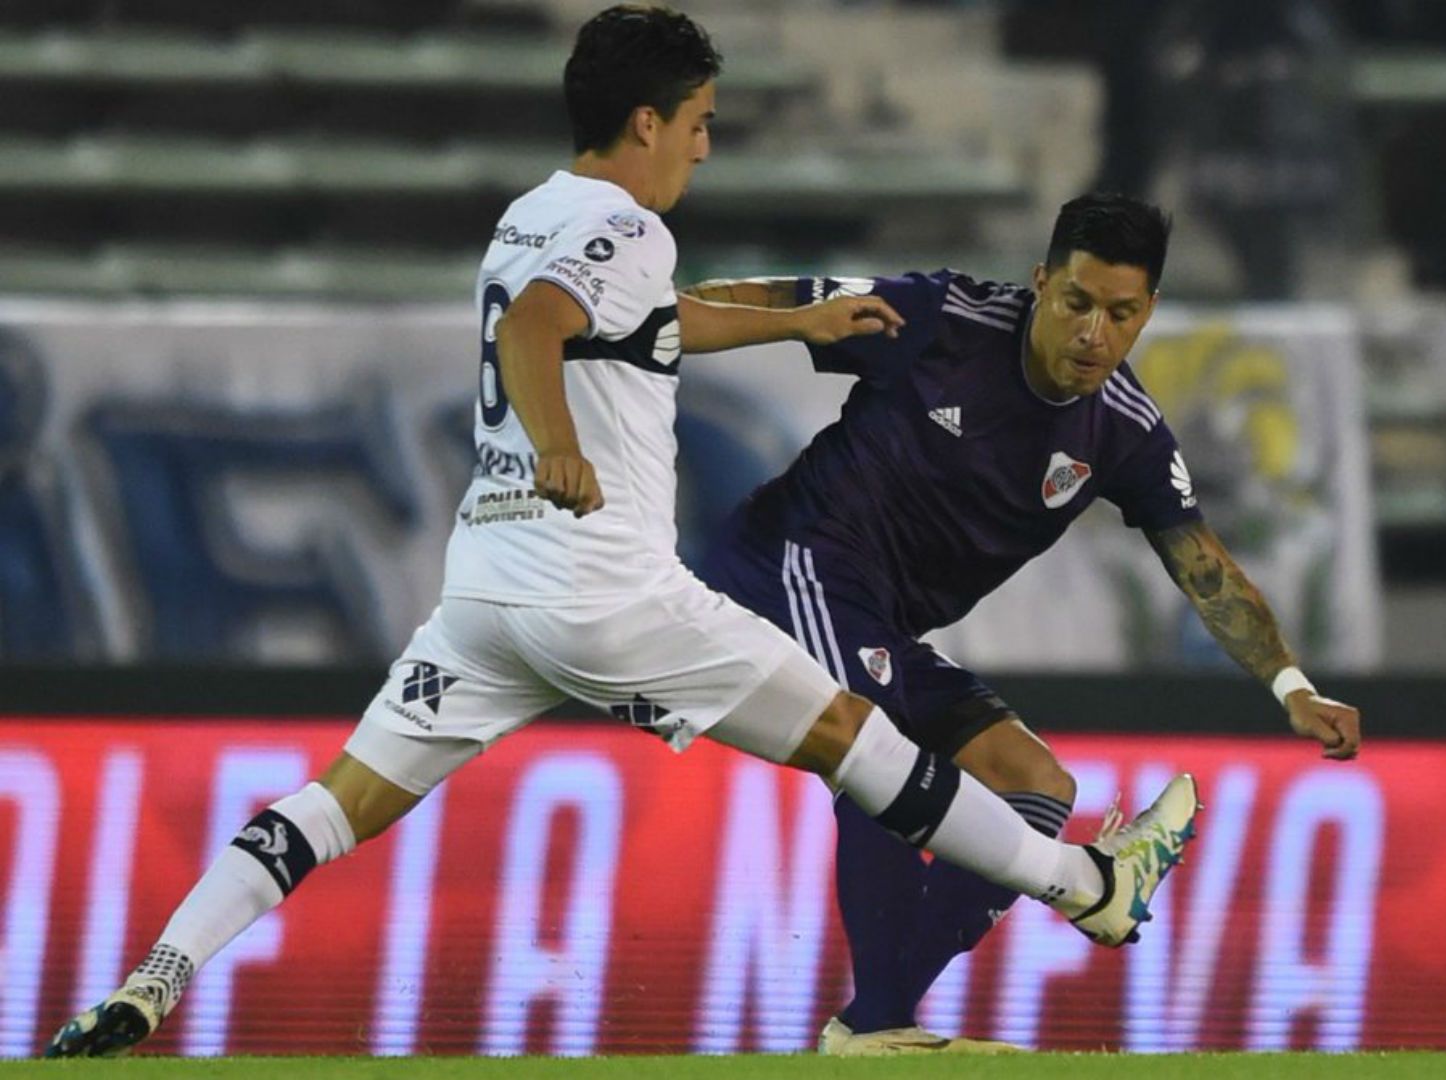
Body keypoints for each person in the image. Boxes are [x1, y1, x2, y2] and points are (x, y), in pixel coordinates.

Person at [43, 8, 1198, 1059]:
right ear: (646, 121)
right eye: (696, 123)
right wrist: (557, 442)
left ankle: (157, 974)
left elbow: (637, 324)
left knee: (338, 802)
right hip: (606, 592)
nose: (704, 145)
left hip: (488, 597)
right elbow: (539, 334)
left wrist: (799, 319)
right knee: (859, 737)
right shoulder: (622, 223)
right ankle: (1085, 883)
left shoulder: (532, 215)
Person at [684, 192, 1361, 1056]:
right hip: (792, 561)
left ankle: (873, 1025)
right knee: (875, 748)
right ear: (1041, 282)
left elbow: (1202, 563)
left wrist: (1291, 685)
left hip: (885, 625)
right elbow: (781, 302)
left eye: (1121, 314)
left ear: (1147, 311)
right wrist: (651, 315)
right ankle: (883, 1025)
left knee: (1036, 783)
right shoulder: (944, 318)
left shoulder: (1124, 432)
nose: (1094, 333)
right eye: (1077, 302)